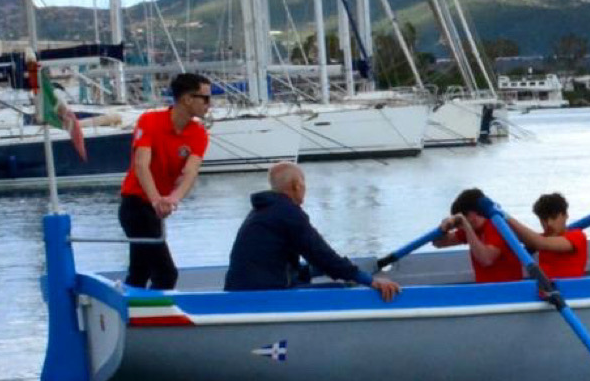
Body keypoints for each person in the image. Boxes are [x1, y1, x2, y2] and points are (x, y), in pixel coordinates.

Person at [224, 162, 400, 299]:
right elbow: (323, 256)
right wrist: (370, 281)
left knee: (326, 277)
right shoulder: (288, 214)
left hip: (242, 290)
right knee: (347, 290)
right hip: (268, 294)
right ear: (296, 186)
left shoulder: (261, 212)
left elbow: (274, 262)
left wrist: (314, 271)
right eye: (304, 183)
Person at [118, 72, 212, 289]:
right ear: (188, 99)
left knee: (139, 271)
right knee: (166, 273)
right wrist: (155, 200)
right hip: (136, 204)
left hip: (157, 208)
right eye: (205, 98)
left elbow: (190, 172)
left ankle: (133, 315)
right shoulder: (150, 121)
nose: (209, 104)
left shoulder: (198, 133)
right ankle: (153, 318)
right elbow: (141, 164)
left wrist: (173, 199)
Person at [433, 187, 527, 284]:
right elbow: (438, 242)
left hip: (509, 291)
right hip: (486, 291)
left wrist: (465, 225)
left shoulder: (496, 226)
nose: (459, 227)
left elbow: (486, 259)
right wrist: (445, 227)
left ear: (471, 214)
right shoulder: (472, 230)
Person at [504, 193, 590, 280]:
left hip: (570, 291)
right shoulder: (541, 238)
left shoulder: (577, 236)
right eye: (544, 219)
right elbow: (526, 237)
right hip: (546, 291)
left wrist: (507, 217)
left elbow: (540, 242)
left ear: (565, 215)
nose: (549, 224)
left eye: (553, 218)